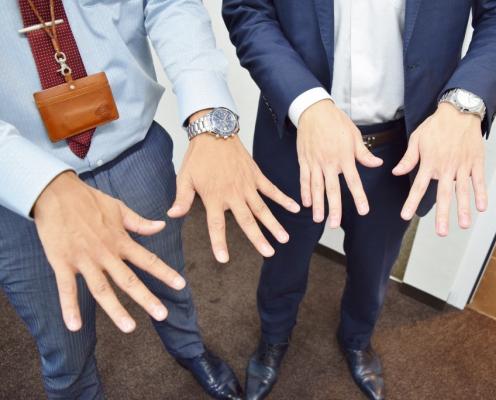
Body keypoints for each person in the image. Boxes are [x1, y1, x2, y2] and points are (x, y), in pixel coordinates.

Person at [222, 1, 496, 399]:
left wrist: (466, 103)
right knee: (282, 257)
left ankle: (356, 339)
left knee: (374, 266)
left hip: (399, 145)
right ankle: (273, 337)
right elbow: (248, 10)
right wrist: (306, 101)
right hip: (296, 138)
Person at [0, 1, 300, 399]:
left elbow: (169, 4)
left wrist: (208, 117)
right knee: (62, 333)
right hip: (20, 193)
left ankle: (189, 349)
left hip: (135, 150)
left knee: (169, 277)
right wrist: (34, 181)